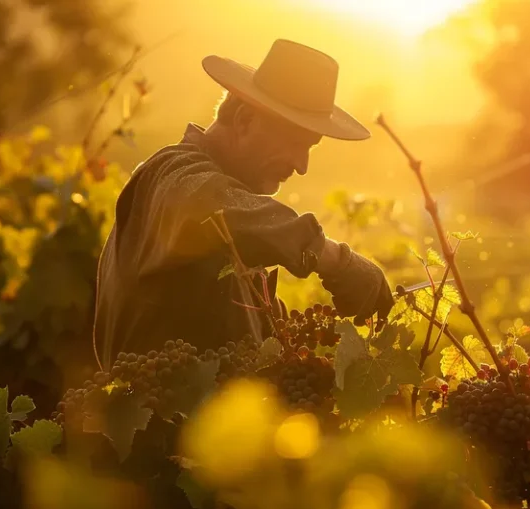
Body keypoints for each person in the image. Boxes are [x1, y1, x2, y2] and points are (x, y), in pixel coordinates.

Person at [93, 39, 394, 366]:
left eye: (311, 147)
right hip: (171, 417)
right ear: (244, 120)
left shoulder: (238, 236)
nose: (302, 165)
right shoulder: (168, 174)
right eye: (295, 142)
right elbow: (207, 203)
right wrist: (335, 259)